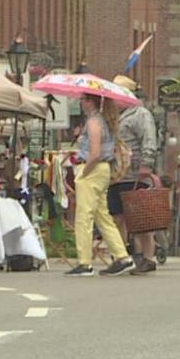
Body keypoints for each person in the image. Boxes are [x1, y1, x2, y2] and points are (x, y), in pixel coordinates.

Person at [65, 94, 136, 277]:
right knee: (102, 215)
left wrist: (83, 173)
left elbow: (95, 153)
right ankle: (122, 256)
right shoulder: (103, 121)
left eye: (82, 99)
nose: (80, 102)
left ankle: (84, 262)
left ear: (90, 102)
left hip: (92, 169)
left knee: (84, 216)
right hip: (103, 170)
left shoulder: (93, 122)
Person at [107, 75, 160, 275]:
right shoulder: (114, 116)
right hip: (117, 174)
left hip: (135, 174)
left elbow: (149, 139)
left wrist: (146, 164)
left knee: (140, 220)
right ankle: (121, 257)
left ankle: (148, 257)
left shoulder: (140, 114)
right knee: (117, 218)